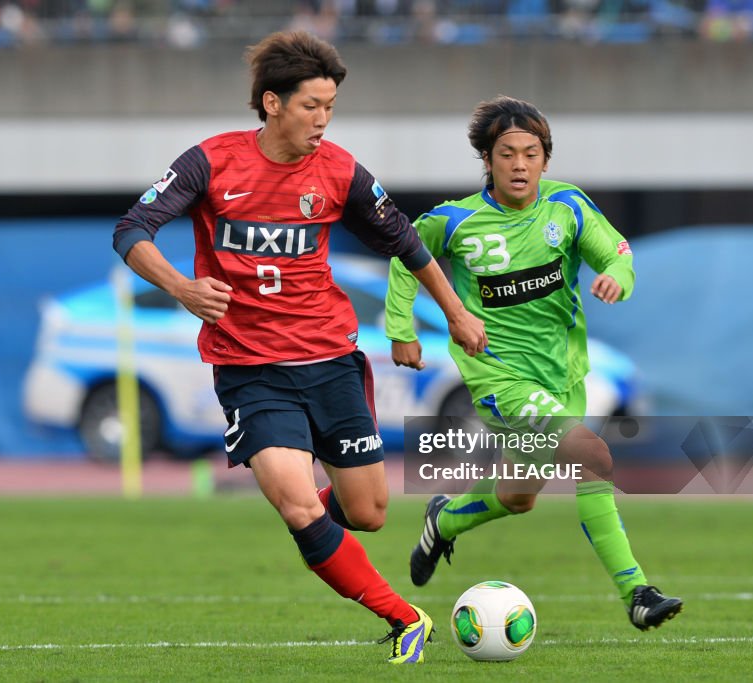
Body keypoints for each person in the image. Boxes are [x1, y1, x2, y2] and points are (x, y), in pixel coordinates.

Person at [112, 31, 486, 664]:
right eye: (312, 105)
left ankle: (318, 517)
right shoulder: (210, 162)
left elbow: (406, 242)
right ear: (272, 103)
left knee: (366, 513)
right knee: (292, 503)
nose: (323, 119)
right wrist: (181, 287)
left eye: (331, 106)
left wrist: (453, 313)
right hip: (249, 367)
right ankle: (403, 618)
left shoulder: (338, 170)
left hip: (331, 360)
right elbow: (132, 228)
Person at [385, 95, 683, 631]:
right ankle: (637, 591)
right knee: (593, 457)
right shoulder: (454, 221)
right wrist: (401, 329)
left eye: (530, 153)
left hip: (563, 377)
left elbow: (617, 253)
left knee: (518, 496)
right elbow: (407, 256)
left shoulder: (567, 206)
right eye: (506, 154)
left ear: (545, 159)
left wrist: (620, 276)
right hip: (498, 376)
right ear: (487, 160)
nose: (519, 164)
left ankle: (444, 520)